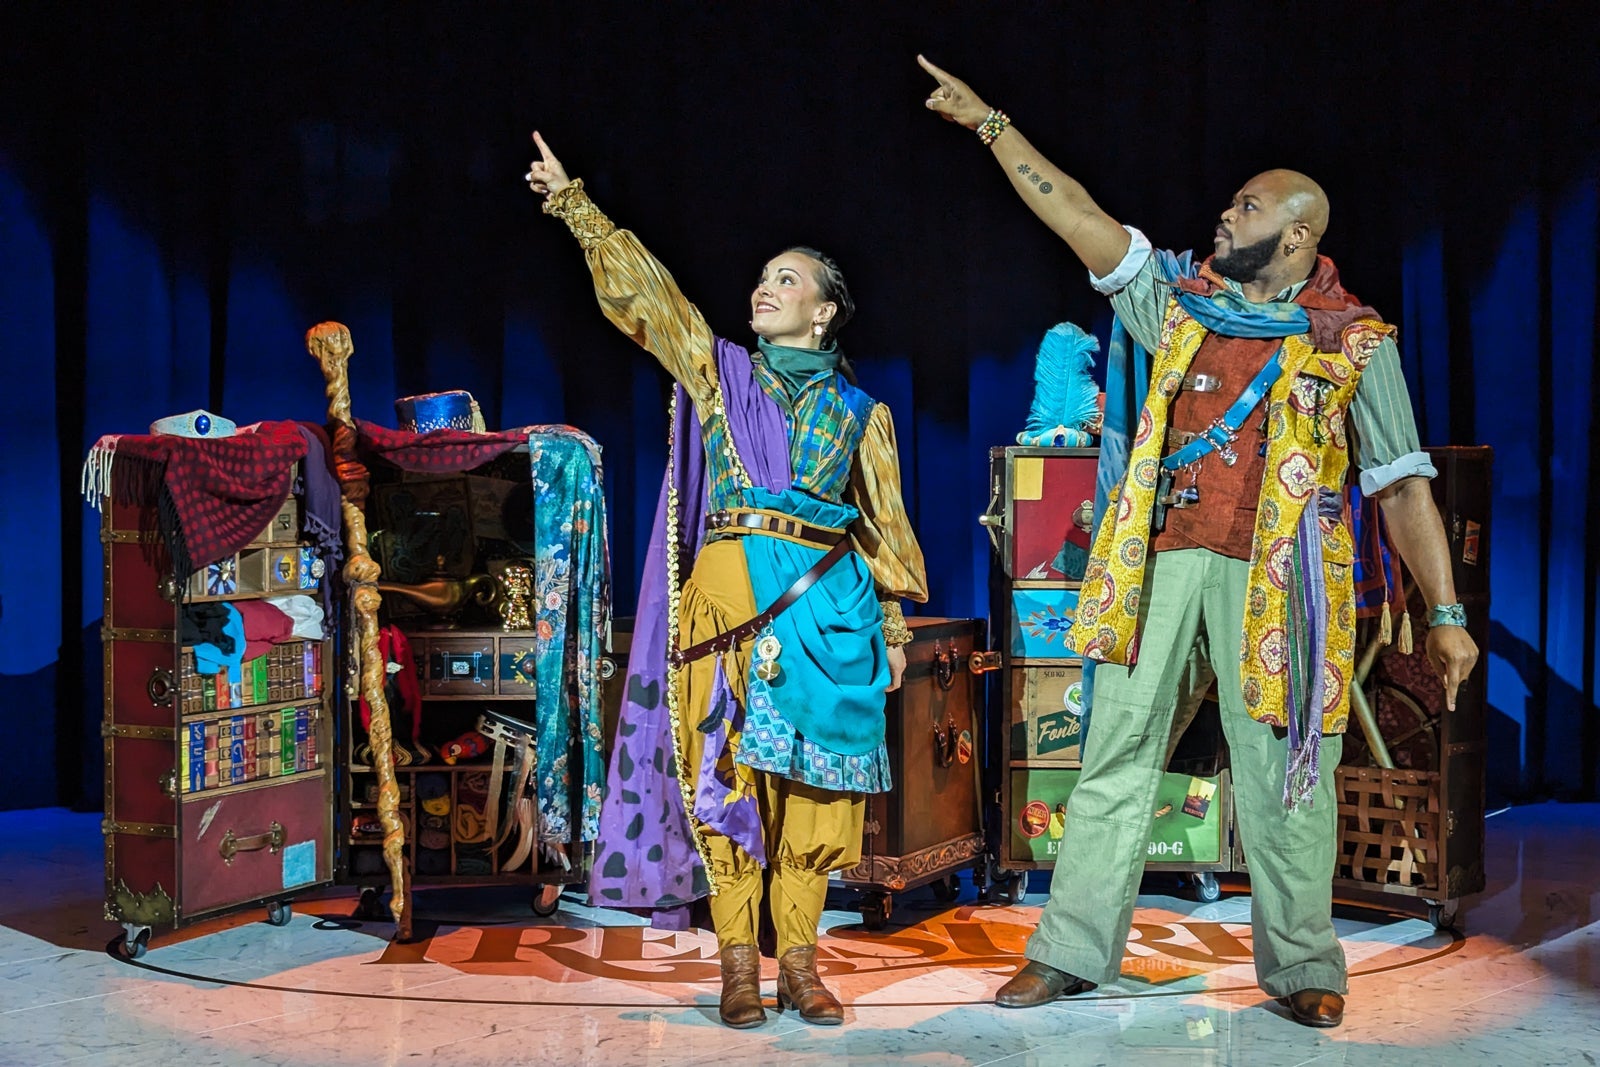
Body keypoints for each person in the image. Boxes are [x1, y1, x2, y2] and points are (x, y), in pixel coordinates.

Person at [918, 58, 1478, 1029]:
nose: (1226, 214)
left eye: (1247, 206)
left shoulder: (1353, 342)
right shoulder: (1177, 300)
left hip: (1285, 584)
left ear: (1297, 235)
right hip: (1161, 565)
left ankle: (1302, 962)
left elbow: (1400, 483)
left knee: (1288, 772)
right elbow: (1078, 216)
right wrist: (989, 124)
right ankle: (1068, 948)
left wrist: (1445, 611)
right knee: (1113, 753)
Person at [525, 133, 928, 1030]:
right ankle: (739, 965)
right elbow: (653, 303)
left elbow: (883, 531)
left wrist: (894, 633)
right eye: (763, 277)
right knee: (728, 778)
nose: (765, 287)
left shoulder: (862, 414)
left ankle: (802, 966)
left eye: (788, 279)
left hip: (829, 607)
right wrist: (575, 206)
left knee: (818, 798)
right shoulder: (720, 376)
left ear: (825, 312)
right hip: (729, 594)